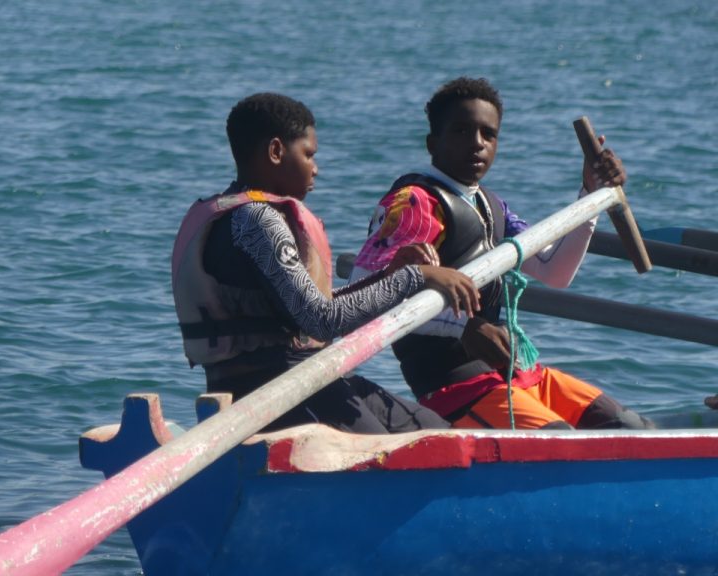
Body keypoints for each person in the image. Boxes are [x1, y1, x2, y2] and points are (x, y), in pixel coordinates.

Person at [350, 76, 654, 430]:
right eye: (461, 131)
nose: (477, 143)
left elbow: (555, 271)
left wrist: (591, 193)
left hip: (519, 374)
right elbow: (365, 292)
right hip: (456, 390)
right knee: (560, 442)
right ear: (433, 143)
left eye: (488, 134)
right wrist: (463, 327)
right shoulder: (414, 203)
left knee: (631, 428)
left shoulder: (491, 205)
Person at [171, 92, 480, 433]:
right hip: (274, 395)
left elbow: (315, 311)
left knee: (437, 431)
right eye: (308, 154)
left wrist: (389, 275)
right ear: (276, 151)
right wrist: (415, 278)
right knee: (410, 448)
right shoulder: (257, 220)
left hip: (303, 381)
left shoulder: (235, 212)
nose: (315, 168)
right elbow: (321, 320)